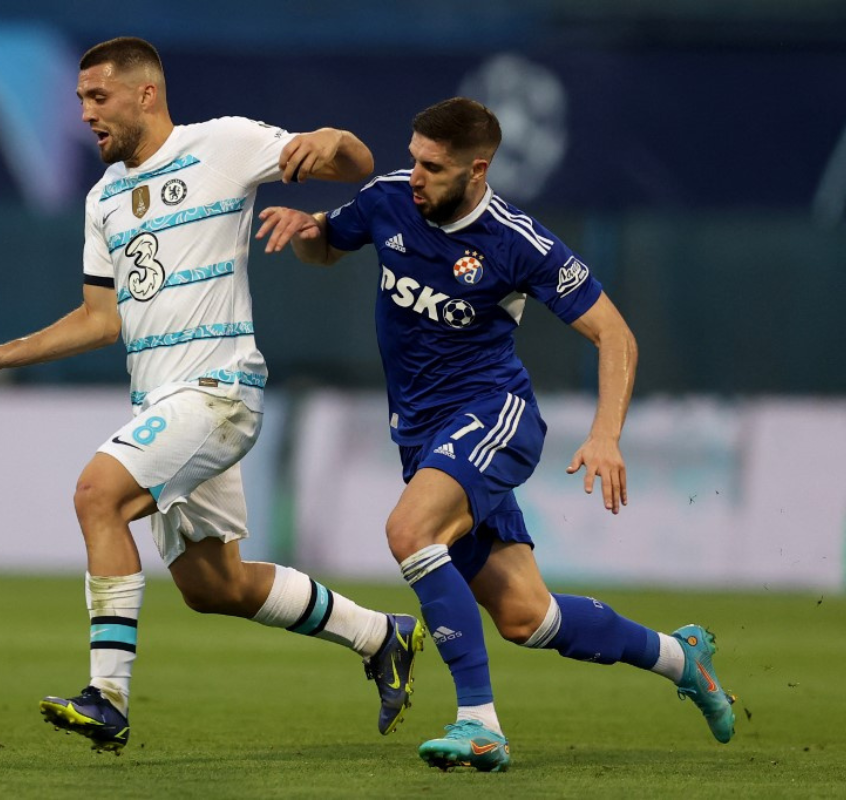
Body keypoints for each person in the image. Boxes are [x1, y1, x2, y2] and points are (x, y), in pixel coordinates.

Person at [0, 37, 424, 754]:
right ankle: (379, 635)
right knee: (213, 587)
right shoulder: (103, 201)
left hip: (219, 393)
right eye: (79, 102)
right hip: (164, 407)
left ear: (145, 94)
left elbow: (360, 164)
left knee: (98, 495)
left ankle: (108, 697)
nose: (86, 114)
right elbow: (101, 319)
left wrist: (329, 140)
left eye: (98, 98)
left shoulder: (220, 144)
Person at [255, 97, 737, 772]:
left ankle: (479, 722)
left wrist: (605, 434)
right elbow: (325, 252)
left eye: (433, 165)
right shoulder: (389, 198)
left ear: (477, 170)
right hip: (424, 437)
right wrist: (306, 229)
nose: (415, 174)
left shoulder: (518, 242)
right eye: (414, 157)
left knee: (409, 532)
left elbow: (614, 334)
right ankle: (682, 659)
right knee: (528, 618)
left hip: (493, 415)